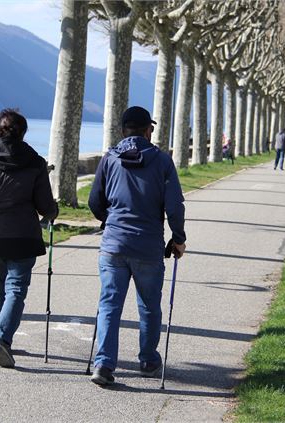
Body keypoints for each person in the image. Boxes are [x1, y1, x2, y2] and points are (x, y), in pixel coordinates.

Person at [88, 106, 186, 386]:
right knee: (149, 306)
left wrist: (113, 220)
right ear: (148, 130)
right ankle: (148, 360)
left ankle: (104, 365)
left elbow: (95, 202)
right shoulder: (162, 162)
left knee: (109, 304)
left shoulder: (109, 159)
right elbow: (174, 206)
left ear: (122, 131)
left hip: (113, 246)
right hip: (148, 246)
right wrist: (178, 239)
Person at [0, 108, 58, 369]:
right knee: (16, 288)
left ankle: (0, 336)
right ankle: (3, 338)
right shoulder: (36, 163)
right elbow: (44, 205)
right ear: (23, 132)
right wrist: (53, 212)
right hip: (23, 236)